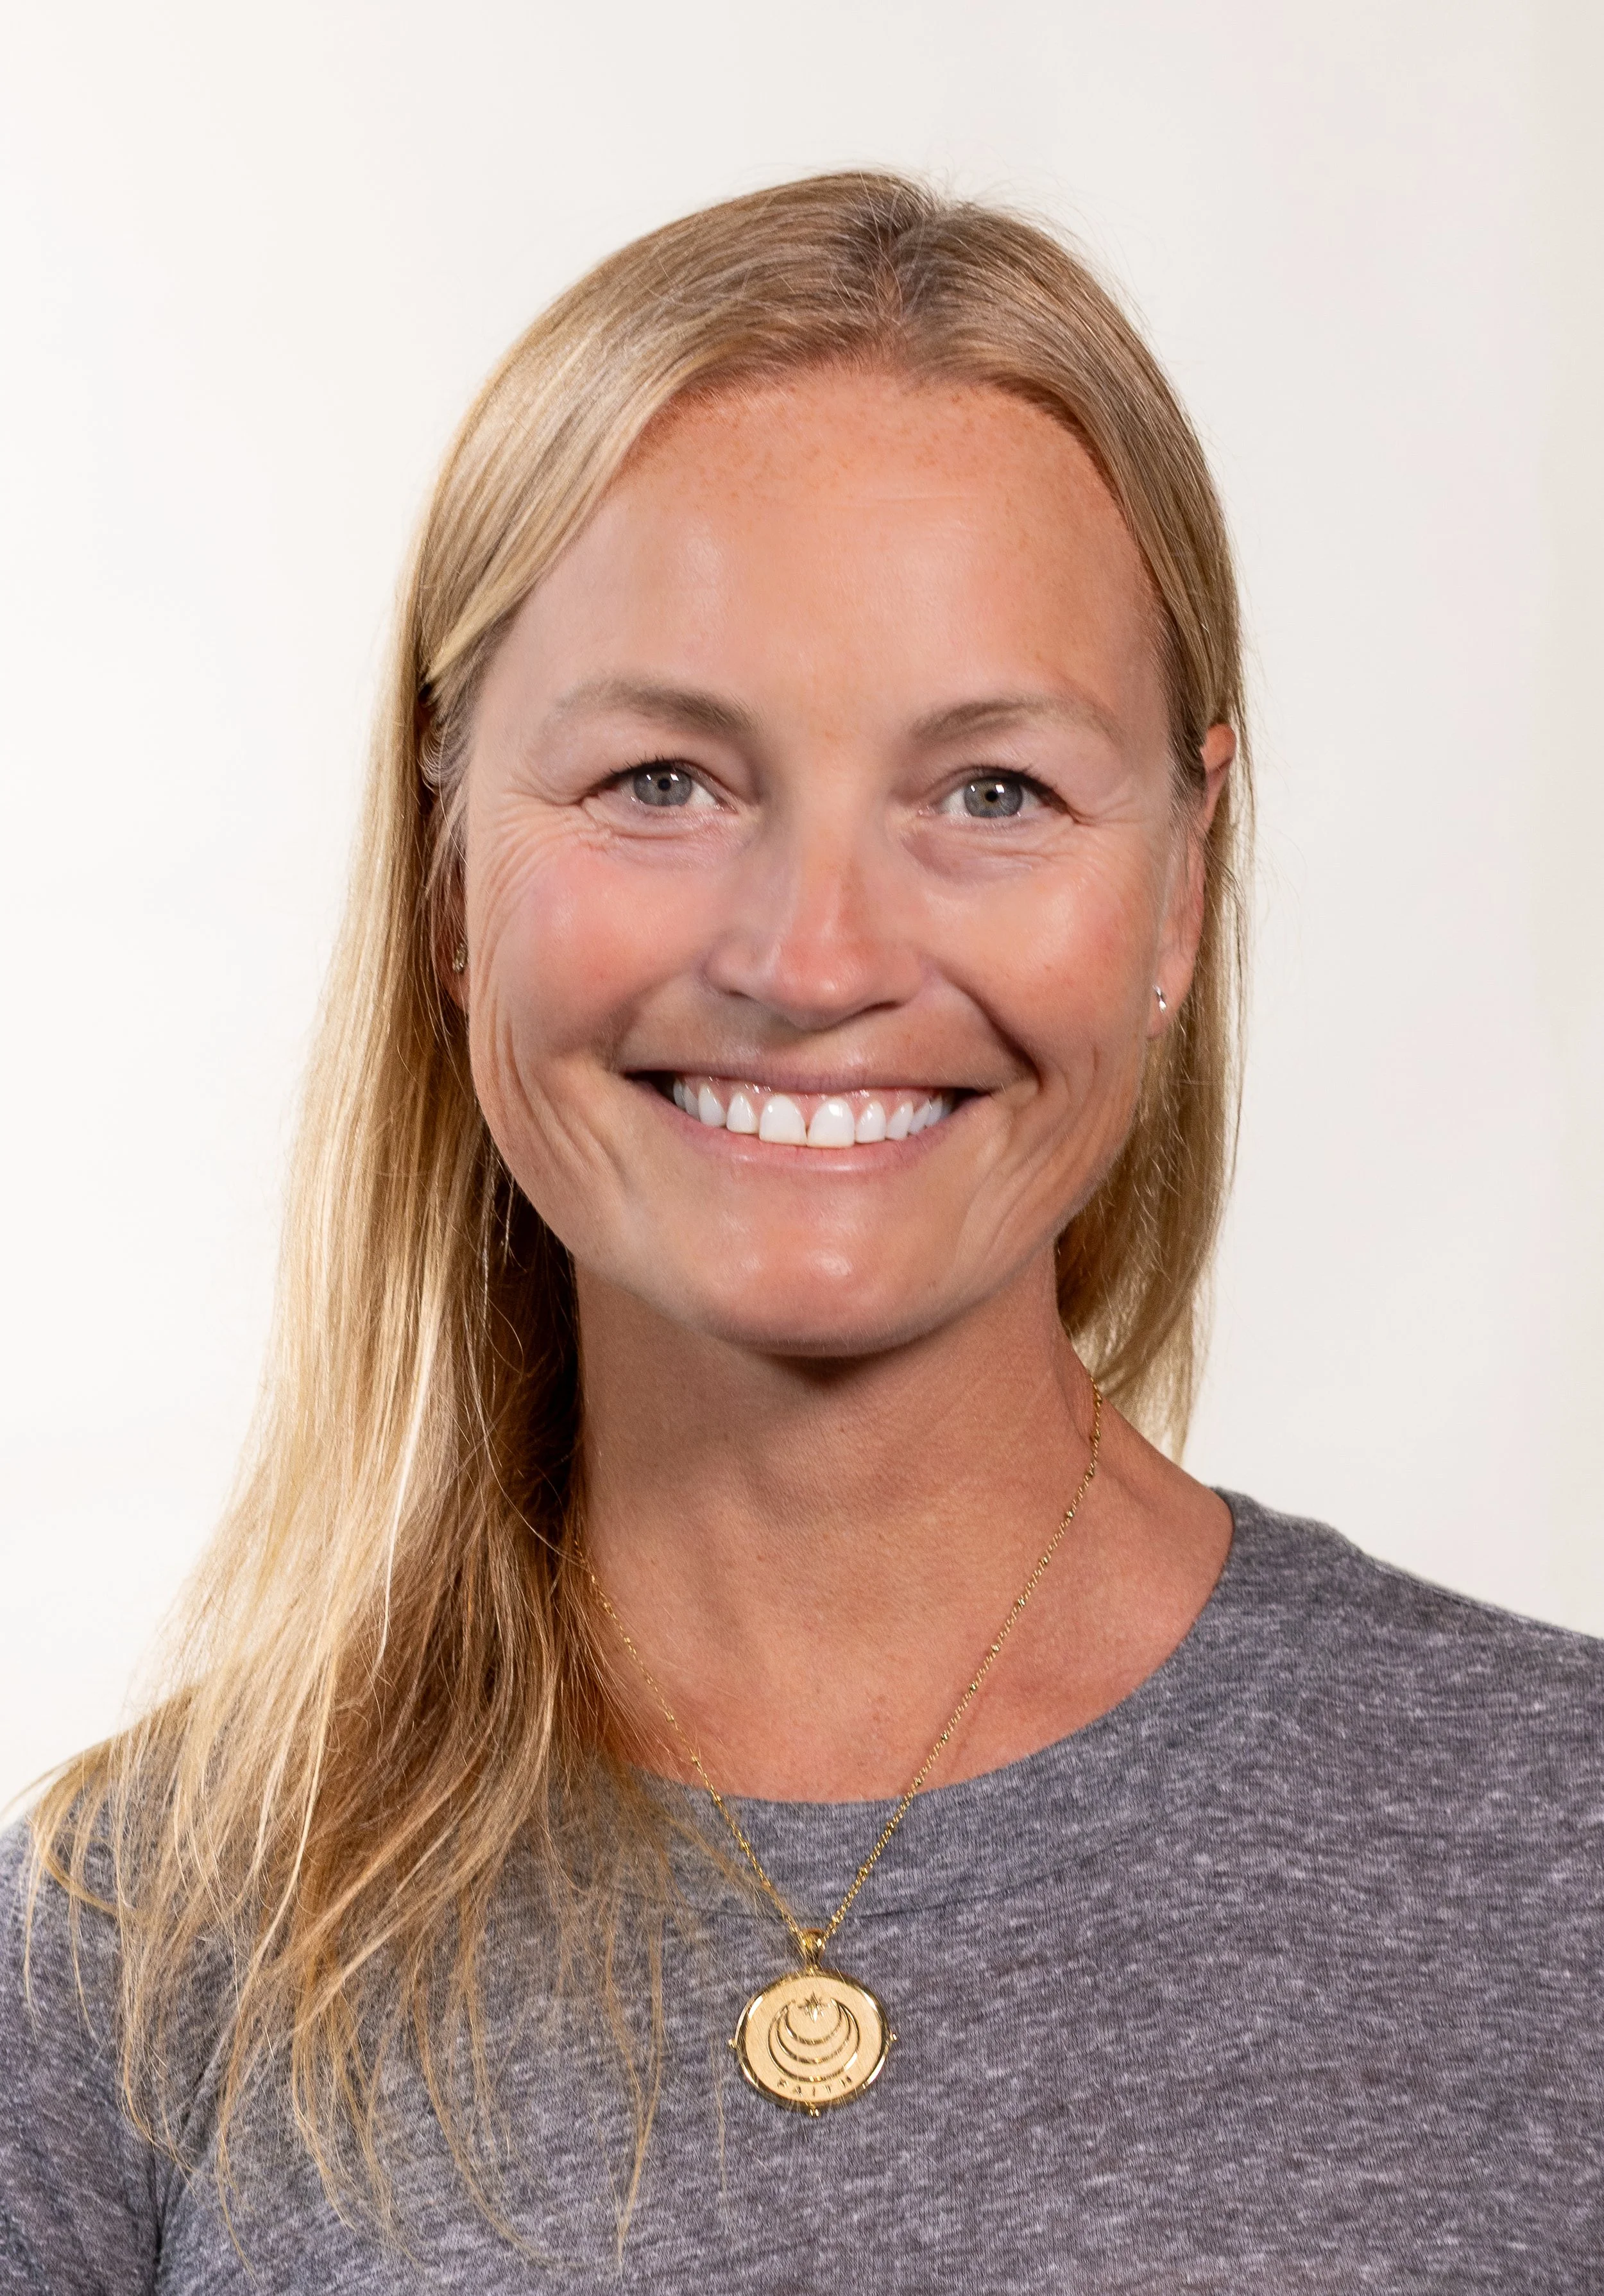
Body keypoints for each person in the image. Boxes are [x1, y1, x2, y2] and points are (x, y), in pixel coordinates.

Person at [2, 171, 1600, 2295]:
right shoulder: (139, 1937)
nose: (816, 953)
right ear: (448, 867)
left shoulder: (1552, 1856)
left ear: (1183, 887)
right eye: (665, 778)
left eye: (992, 794)